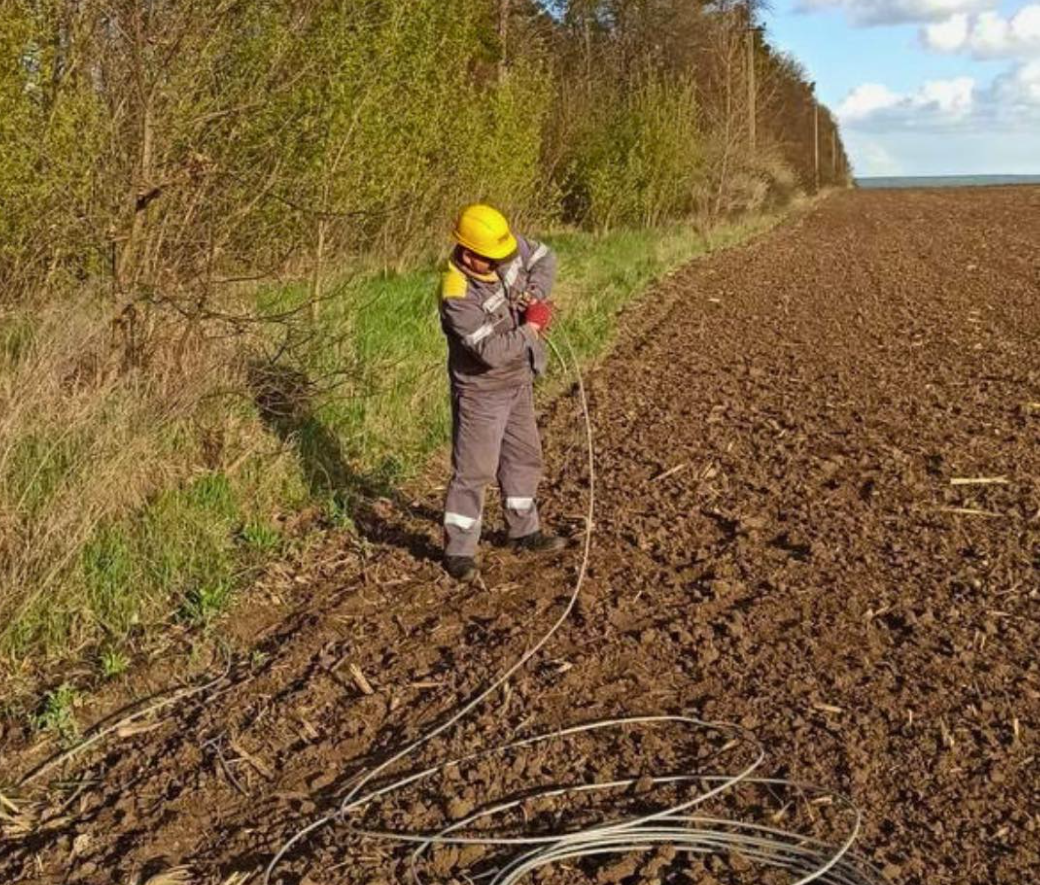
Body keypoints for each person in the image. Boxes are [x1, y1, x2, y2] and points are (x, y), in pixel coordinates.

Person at [437, 203, 568, 582]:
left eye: (504, 257)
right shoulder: (456, 295)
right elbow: (491, 354)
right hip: (482, 391)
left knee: (524, 457)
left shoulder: (503, 248)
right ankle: (459, 550)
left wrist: (533, 292)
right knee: (473, 471)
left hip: (518, 381)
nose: (501, 264)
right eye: (491, 261)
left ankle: (523, 532)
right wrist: (532, 327)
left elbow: (545, 257)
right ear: (468, 255)